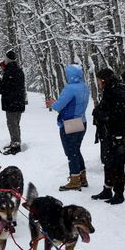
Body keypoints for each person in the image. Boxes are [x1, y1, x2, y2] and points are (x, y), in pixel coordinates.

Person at [46, 63, 90, 191]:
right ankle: (82, 177)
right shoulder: (84, 87)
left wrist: (52, 103)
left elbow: (58, 106)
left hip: (71, 122)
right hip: (82, 121)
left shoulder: (70, 88)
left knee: (71, 152)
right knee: (76, 150)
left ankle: (74, 180)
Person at [91, 68, 125, 204]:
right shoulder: (111, 89)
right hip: (108, 133)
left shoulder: (118, 91)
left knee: (117, 164)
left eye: (99, 80)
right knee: (108, 162)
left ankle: (119, 193)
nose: (98, 83)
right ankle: (107, 188)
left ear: (104, 79)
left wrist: (101, 115)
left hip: (117, 133)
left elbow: (119, 115)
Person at [0, 50, 26, 154]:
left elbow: (4, 89)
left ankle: (15, 146)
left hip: (11, 102)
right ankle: (15, 141)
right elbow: (10, 85)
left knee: (12, 124)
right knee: (16, 124)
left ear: (7, 60)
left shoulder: (10, 72)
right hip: (18, 101)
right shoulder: (18, 70)